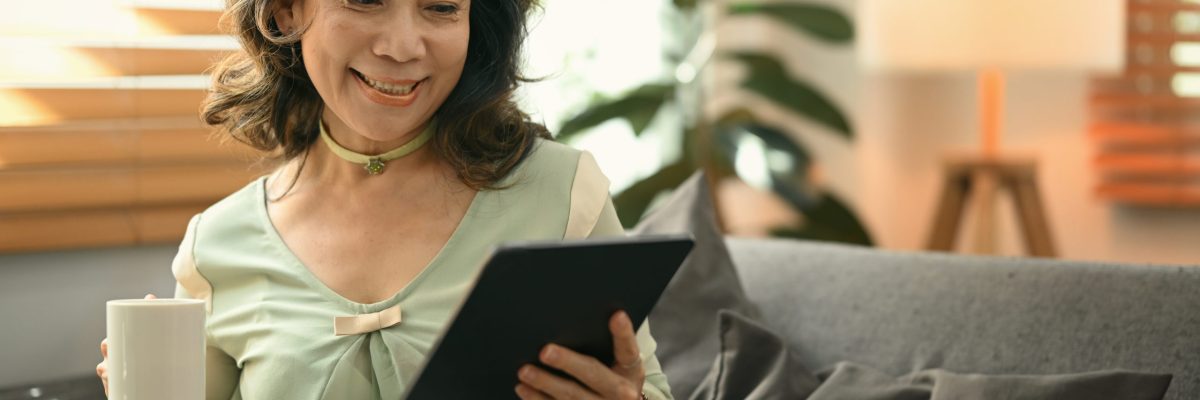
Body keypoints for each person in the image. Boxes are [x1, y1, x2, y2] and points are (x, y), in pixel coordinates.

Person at [94, 0, 672, 399]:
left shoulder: (563, 192)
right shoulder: (217, 243)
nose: (403, 46)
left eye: (442, 6)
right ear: (287, 10)